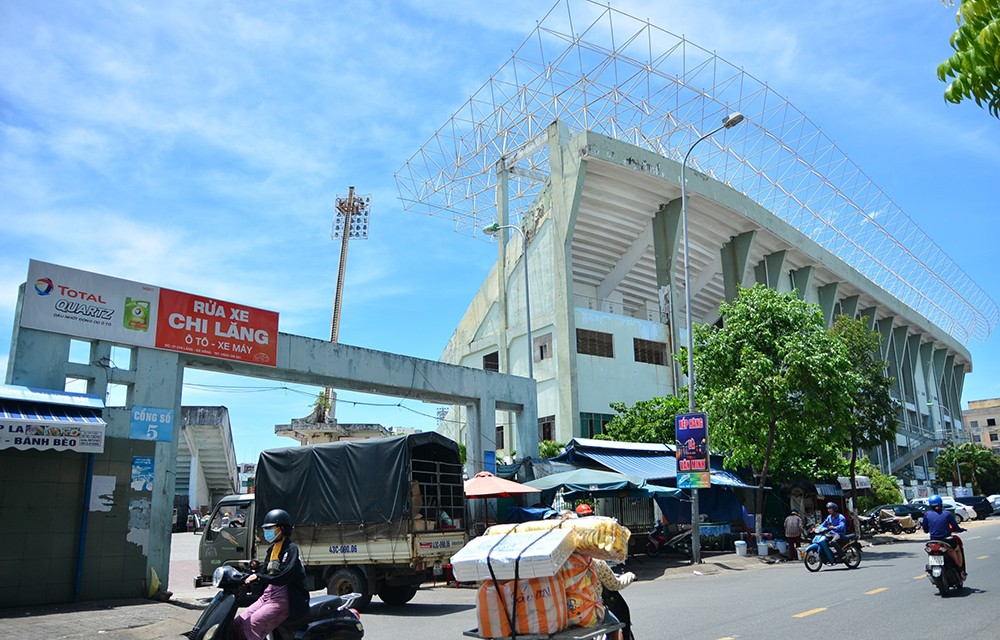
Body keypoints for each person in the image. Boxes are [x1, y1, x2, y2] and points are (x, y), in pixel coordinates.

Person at [233, 509, 310, 640]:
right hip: (268, 595)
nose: (266, 532)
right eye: (265, 528)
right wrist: (245, 576)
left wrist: (260, 576)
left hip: (284, 598)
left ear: (282, 528)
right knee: (238, 623)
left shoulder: (291, 549)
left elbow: (286, 576)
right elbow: (263, 571)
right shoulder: (272, 549)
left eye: (270, 528)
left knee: (251, 625)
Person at [921, 494, 967, 579]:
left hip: (933, 542)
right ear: (941, 504)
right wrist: (960, 530)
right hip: (947, 541)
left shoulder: (927, 515)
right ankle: (960, 570)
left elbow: (925, 529)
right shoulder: (947, 514)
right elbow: (956, 527)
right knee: (957, 549)